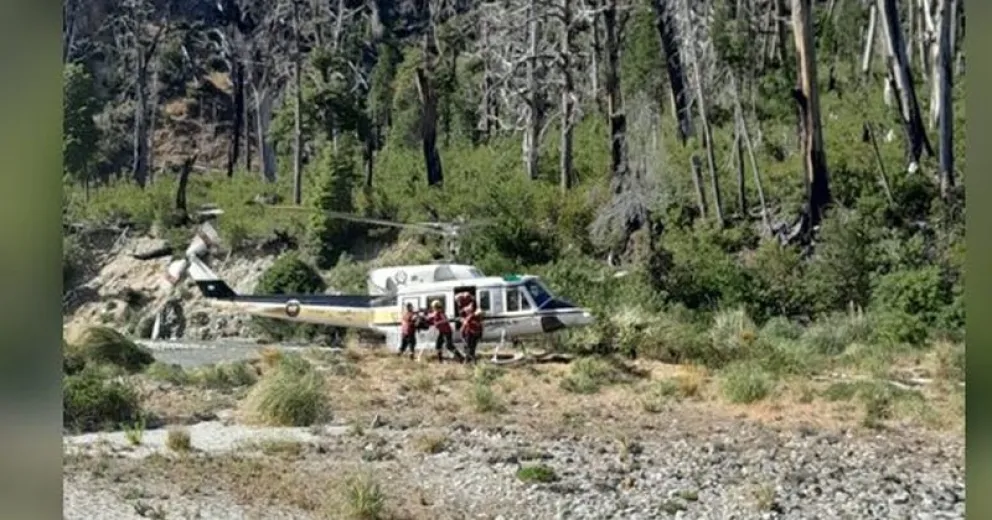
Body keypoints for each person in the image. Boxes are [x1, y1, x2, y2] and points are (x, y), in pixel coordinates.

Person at [458, 292, 484, 364]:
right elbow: (464, 320)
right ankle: (469, 360)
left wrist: (480, 334)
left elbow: (480, 324)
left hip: (473, 332)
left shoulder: (474, 312)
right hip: (470, 332)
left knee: (471, 347)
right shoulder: (470, 314)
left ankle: (470, 361)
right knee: (469, 347)